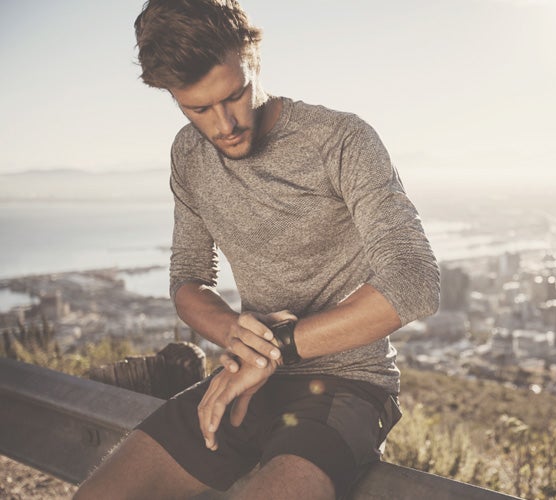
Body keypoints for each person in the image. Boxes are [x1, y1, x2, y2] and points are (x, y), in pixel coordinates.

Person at [74, 0, 439, 498]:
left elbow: (414, 281)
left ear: (254, 58)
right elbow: (187, 280)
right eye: (198, 108)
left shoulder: (340, 139)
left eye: (236, 95)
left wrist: (274, 348)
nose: (224, 124)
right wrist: (233, 334)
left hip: (347, 384)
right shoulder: (188, 154)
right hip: (247, 377)